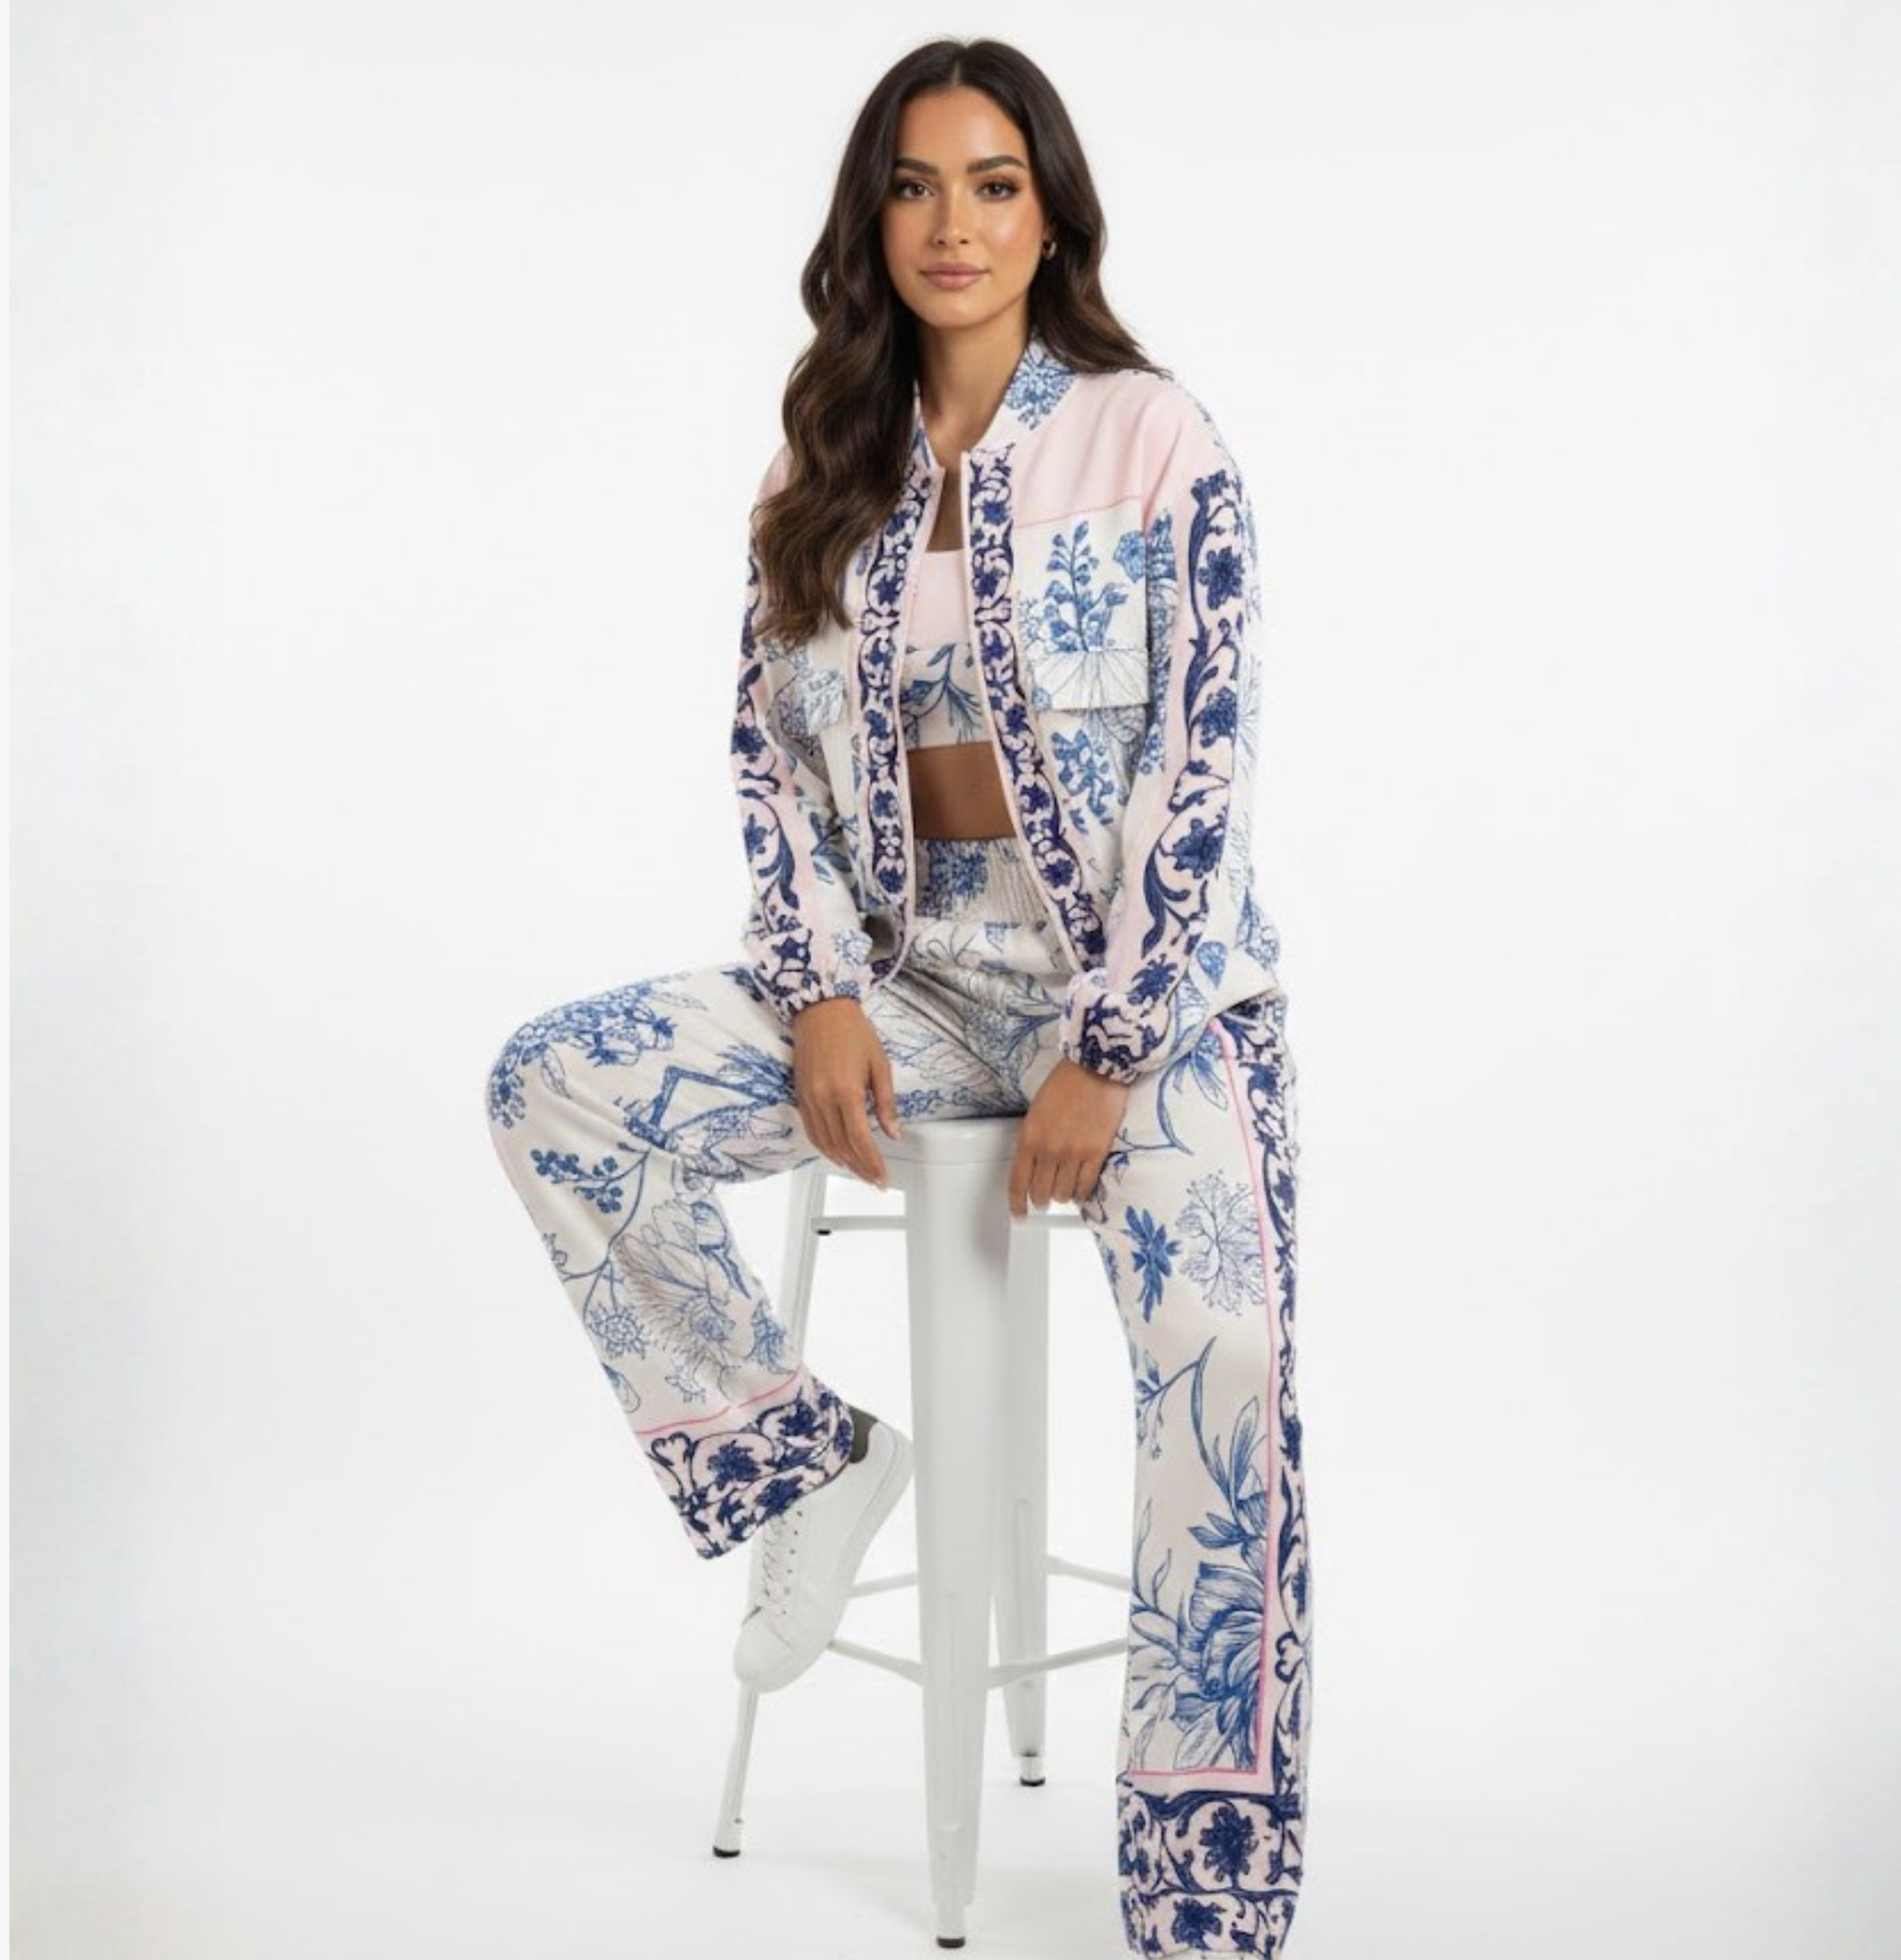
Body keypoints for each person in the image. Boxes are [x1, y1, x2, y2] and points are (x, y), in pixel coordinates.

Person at [484, 36, 1310, 1960]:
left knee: (1227, 1366)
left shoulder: (1151, 435)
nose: (955, 224)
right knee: (554, 1086)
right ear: (871, 221)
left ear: (1052, 215)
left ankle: (1204, 1893)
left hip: (1152, 1000)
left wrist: (1113, 1047)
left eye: (994, 184)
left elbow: (1203, 767)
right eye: (916, 186)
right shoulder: (821, 470)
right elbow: (770, 762)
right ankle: (803, 1460)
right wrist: (819, 993)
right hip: (909, 986)